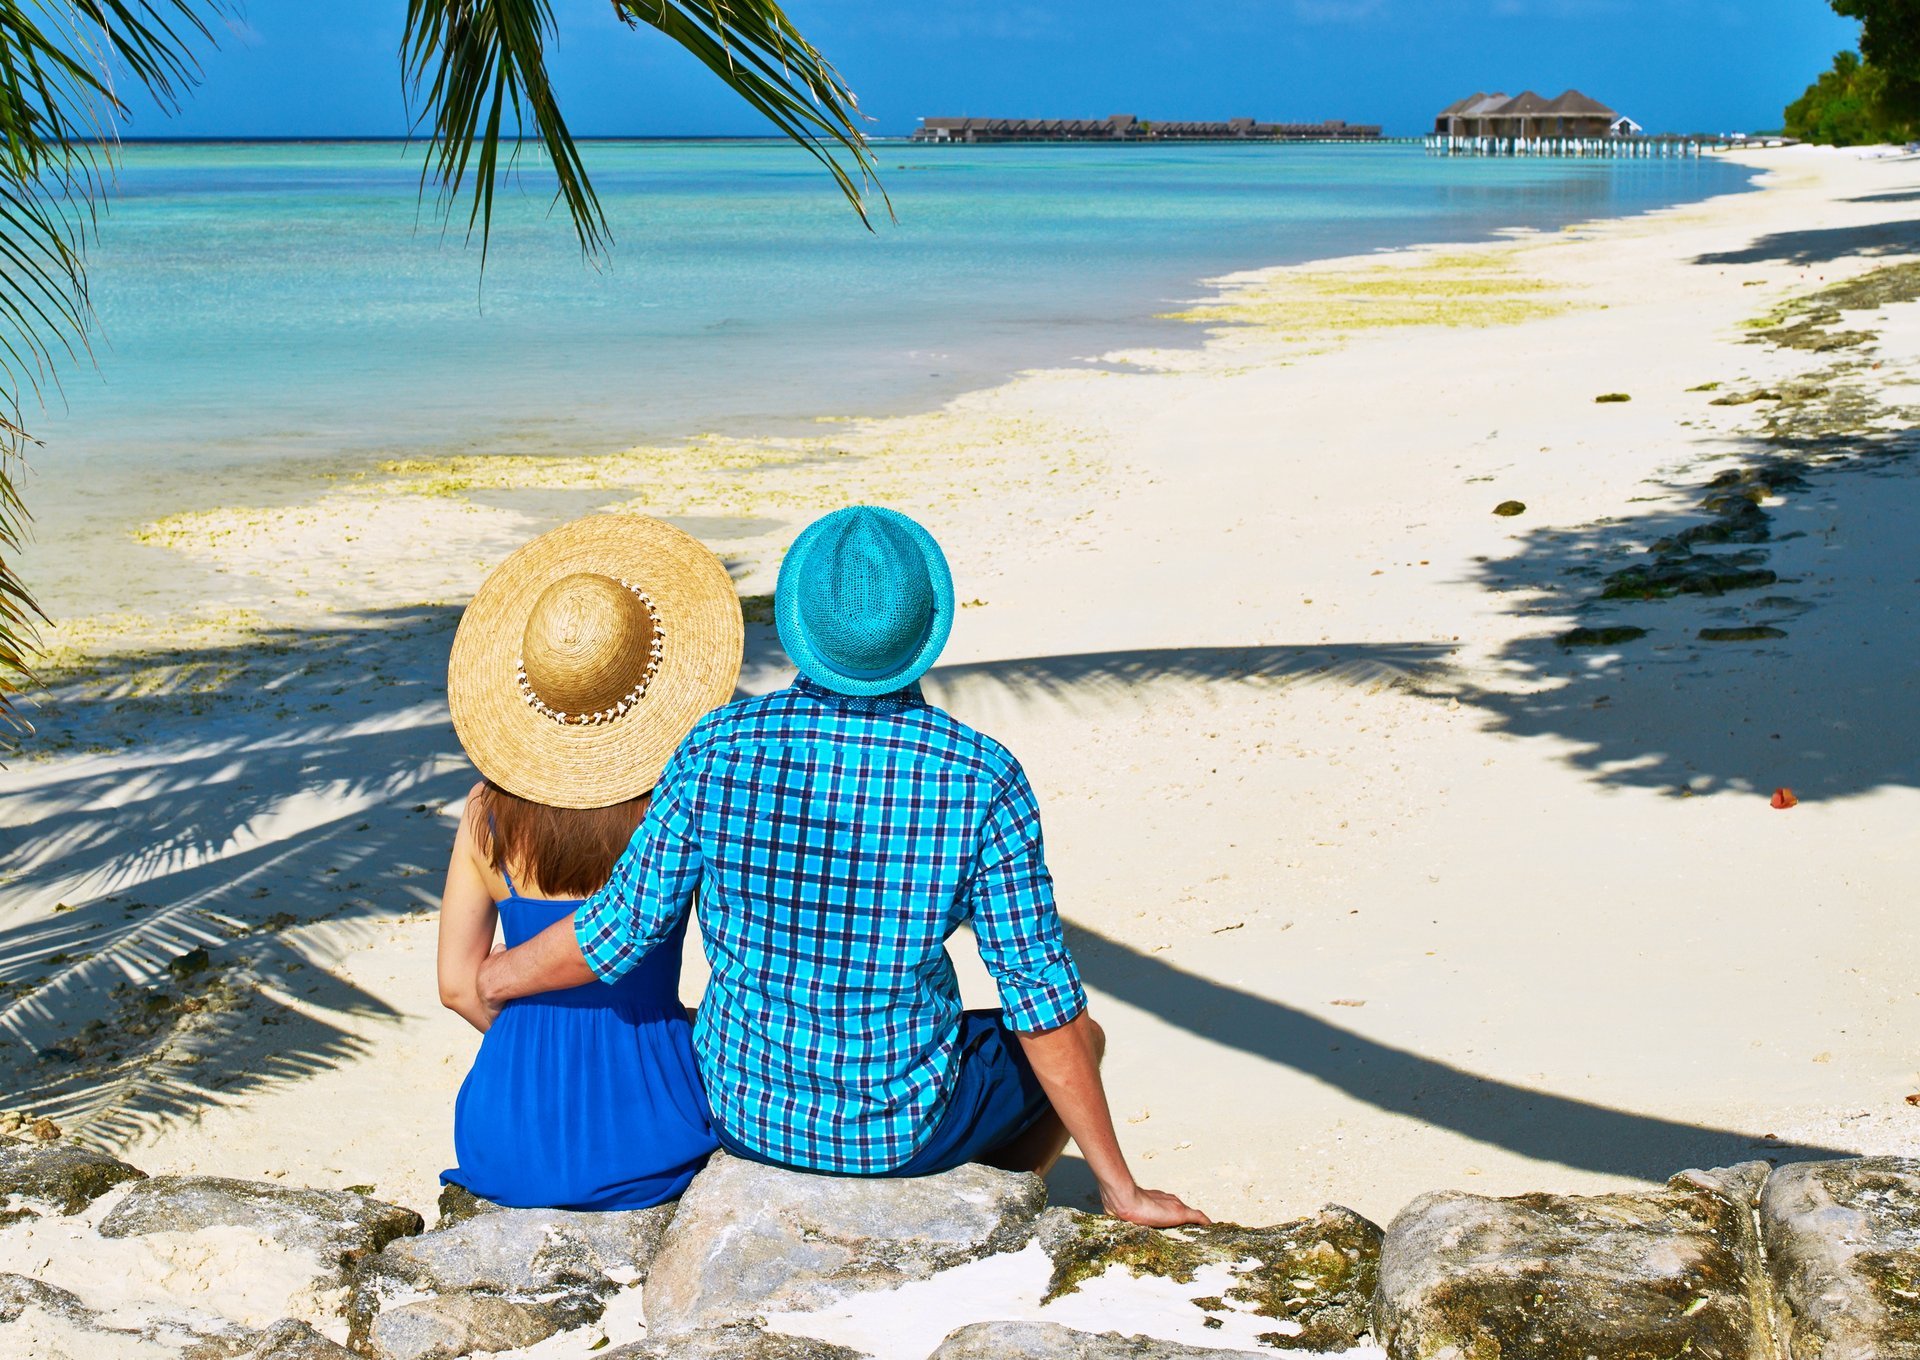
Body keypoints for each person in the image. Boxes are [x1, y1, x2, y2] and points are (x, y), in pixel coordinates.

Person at [477, 506, 1207, 1227]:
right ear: (925, 631)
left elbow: (620, 927)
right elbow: (1039, 1000)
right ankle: (999, 1206)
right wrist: (1121, 1188)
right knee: (1086, 1039)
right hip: (899, 1132)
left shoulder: (715, 746)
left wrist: (495, 976)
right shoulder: (982, 776)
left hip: (742, 1110)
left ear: (800, 628)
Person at [436, 513, 744, 1210]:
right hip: (650, 1120)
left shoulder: (487, 811)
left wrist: (537, 1040)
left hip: (504, 1129)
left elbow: (458, 987)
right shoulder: (673, 803)